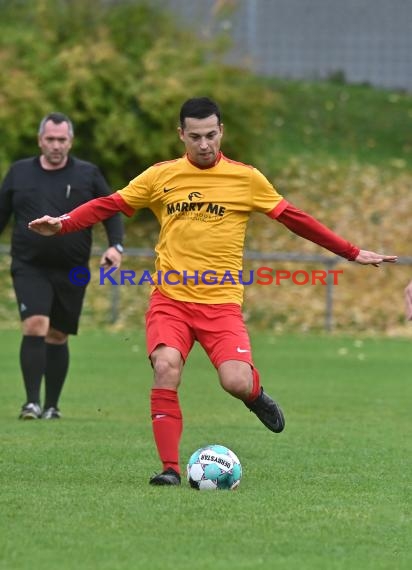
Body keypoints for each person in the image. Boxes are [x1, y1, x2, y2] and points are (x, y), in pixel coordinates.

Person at [28, 97, 397, 482]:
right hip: (170, 300)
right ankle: (170, 469)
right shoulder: (161, 176)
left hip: (221, 304)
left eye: (210, 135)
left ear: (221, 131)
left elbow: (294, 219)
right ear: (181, 135)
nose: (204, 145)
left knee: (234, 381)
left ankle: (255, 396)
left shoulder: (246, 178)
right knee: (166, 367)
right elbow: (110, 204)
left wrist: (351, 252)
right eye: (195, 137)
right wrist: (65, 223)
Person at [0, 112, 124, 420]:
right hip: (29, 266)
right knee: (35, 325)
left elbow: (111, 210)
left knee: (57, 335)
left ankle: (52, 405)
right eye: (50, 139)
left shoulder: (88, 174)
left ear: (70, 141)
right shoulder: (18, 173)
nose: (56, 145)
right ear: (40, 140)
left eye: (62, 139)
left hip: (72, 269)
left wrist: (115, 246)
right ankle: (31, 403)